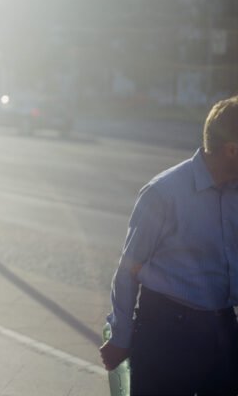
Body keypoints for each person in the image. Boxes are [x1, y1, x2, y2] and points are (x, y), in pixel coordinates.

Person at [100, 95, 238, 396]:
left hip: (225, 334)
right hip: (168, 336)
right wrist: (120, 336)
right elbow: (128, 270)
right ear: (231, 150)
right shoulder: (164, 193)